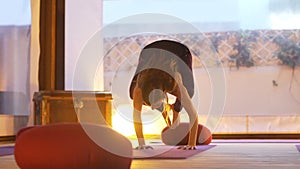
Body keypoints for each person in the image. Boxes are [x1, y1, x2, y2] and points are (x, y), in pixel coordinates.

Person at [129, 40, 199, 150]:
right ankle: (167, 110)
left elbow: (193, 115)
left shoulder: (174, 80)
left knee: (189, 92)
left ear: (165, 95)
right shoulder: (138, 90)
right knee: (131, 94)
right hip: (149, 52)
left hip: (179, 52)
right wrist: (141, 143)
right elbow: (136, 116)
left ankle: (175, 109)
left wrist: (191, 144)